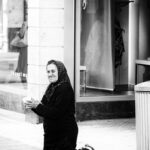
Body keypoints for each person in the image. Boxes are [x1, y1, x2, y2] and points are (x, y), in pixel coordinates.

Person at [24, 60, 78, 150]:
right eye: (48, 72)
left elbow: (56, 112)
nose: (50, 74)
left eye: (53, 71)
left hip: (64, 134)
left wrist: (37, 106)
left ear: (60, 72)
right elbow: (44, 108)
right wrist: (32, 104)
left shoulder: (65, 88)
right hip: (51, 135)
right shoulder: (52, 87)